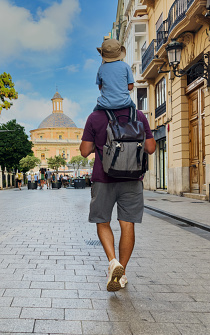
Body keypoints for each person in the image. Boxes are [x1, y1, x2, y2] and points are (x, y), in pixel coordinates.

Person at [80, 81, 155, 291]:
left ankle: (113, 262)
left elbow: (84, 151)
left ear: (102, 90)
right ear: (126, 89)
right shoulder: (138, 116)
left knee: (102, 221)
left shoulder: (95, 117)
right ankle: (122, 273)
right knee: (127, 224)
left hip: (103, 179)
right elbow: (151, 147)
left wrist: (98, 143)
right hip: (132, 179)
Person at [94, 38, 136, 112]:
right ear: (119, 53)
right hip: (125, 103)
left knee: (94, 115)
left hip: (105, 105)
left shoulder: (101, 68)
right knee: (135, 111)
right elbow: (130, 87)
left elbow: (100, 88)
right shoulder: (126, 66)